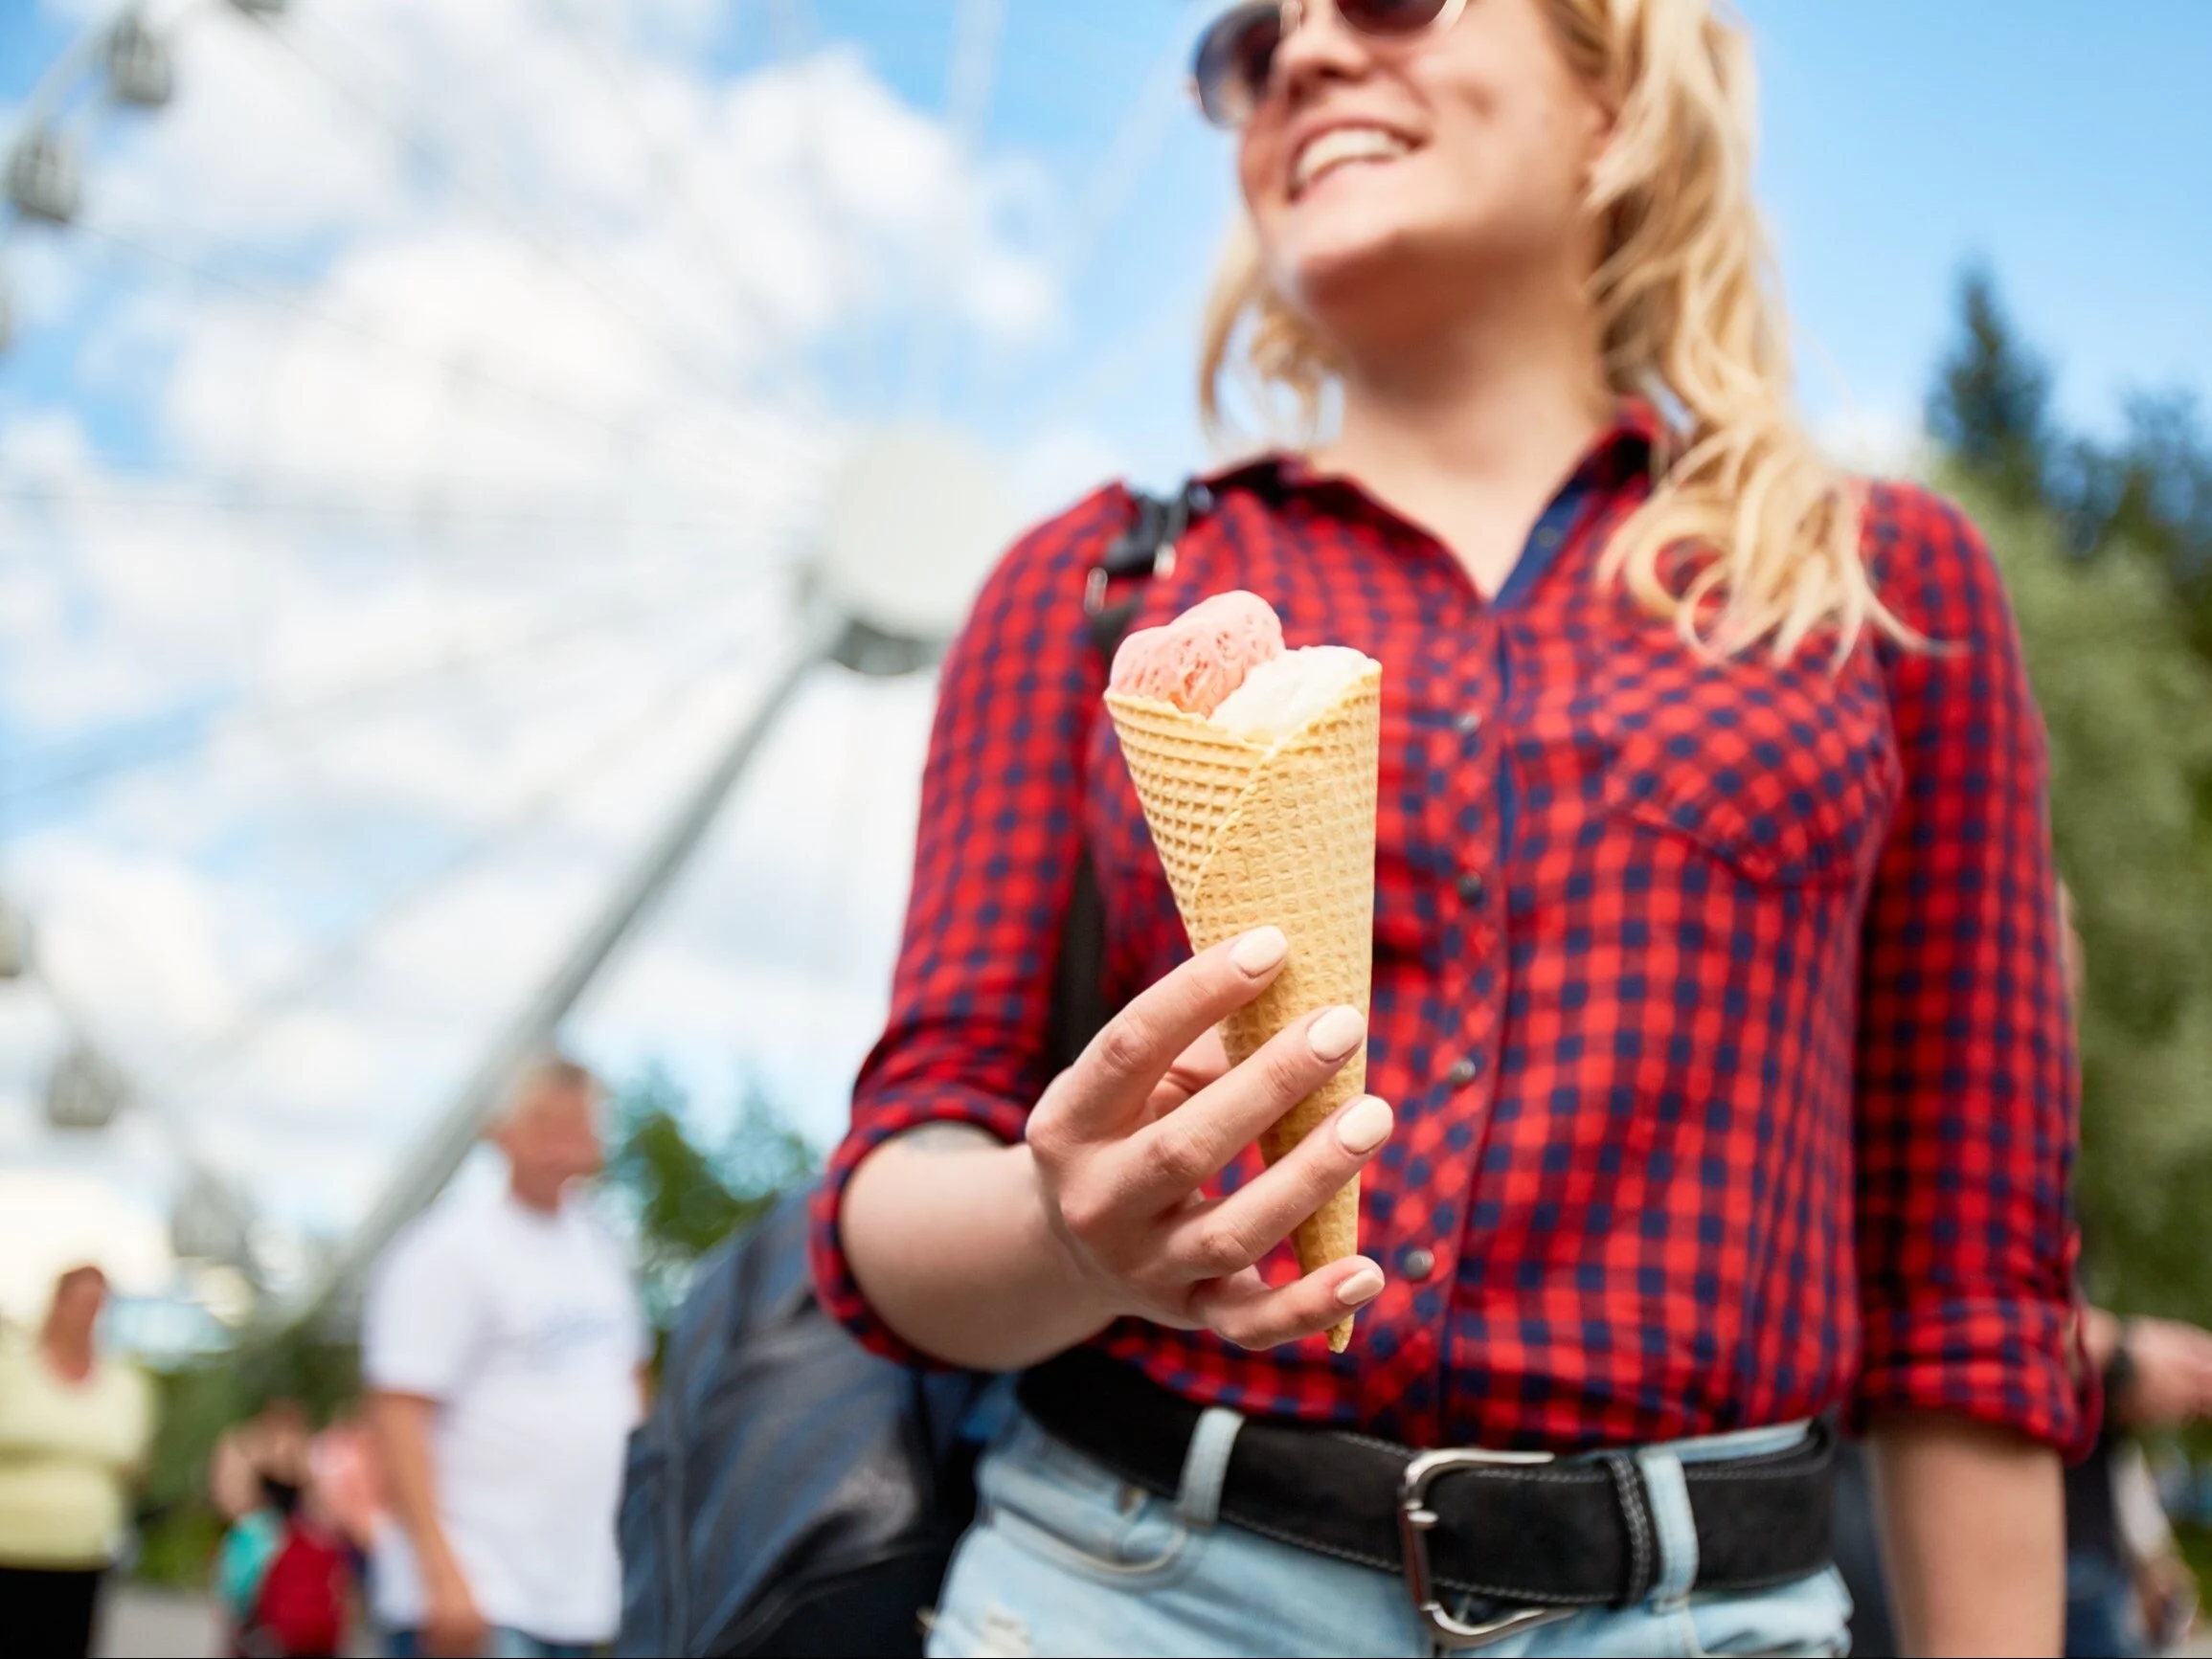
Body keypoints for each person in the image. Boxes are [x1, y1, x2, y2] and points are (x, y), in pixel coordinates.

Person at [811, 2, 2093, 1655]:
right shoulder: (1089, 588)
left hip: (1712, 1616)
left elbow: (1970, 1292)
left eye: (1394, 2)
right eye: (1251, 53)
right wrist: (1068, 1231)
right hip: (1131, 1591)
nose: (1310, 60)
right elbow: (899, 1182)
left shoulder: (1879, 590)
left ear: (1616, 105)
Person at [364, 1056, 649, 1658]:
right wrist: (441, 1576)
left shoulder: (600, 1249)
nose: (564, 1148)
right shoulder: (449, 1249)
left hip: (573, 1596)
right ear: (501, 1132)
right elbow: (398, 1413)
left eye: (578, 1129)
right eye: (546, 1127)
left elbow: (631, 1383)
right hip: (480, 1592)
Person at [0, 1265, 155, 1659]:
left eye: (100, 1304)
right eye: (83, 1301)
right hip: (11, 1550)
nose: (91, 1313)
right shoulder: (12, 1368)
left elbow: (136, 1463)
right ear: (58, 1302)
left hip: (84, 1554)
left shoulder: (126, 1384)